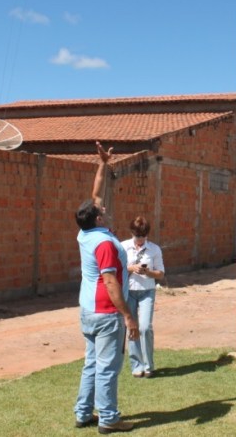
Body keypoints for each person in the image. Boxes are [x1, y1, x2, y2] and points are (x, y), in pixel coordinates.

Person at [73, 142, 139, 434]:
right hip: (106, 312)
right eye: (101, 208)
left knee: (91, 364)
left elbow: (96, 193)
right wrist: (127, 316)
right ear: (98, 217)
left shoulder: (86, 232)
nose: (104, 206)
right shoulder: (104, 244)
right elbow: (111, 282)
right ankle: (110, 419)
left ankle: (83, 413)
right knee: (107, 368)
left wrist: (103, 163)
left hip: (88, 310)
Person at [121, 216, 165, 378]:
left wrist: (148, 272)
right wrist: (132, 268)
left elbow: (160, 274)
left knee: (145, 327)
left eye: (143, 236)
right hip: (129, 291)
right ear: (132, 233)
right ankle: (136, 365)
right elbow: (116, 269)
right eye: (137, 236)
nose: (140, 239)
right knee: (132, 328)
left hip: (147, 291)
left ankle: (149, 365)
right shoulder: (123, 247)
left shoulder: (154, 249)